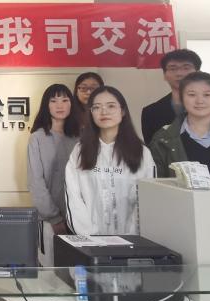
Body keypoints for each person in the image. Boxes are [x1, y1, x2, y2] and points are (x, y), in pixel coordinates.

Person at [65, 86, 154, 236]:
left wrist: (132, 236)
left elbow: (147, 199)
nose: (104, 112)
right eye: (97, 107)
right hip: (91, 241)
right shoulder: (80, 151)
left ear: (122, 111)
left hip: (132, 241)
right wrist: (89, 236)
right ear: (91, 113)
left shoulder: (142, 153)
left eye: (111, 106)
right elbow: (73, 197)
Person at [141, 48, 210, 144]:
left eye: (186, 68)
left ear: (198, 73)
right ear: (164, 75)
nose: (179, 73)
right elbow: (152, 148)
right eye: (173, 68)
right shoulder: (151, 112)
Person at [27, 84, 80, 235]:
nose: (59, 105)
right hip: (50, 220)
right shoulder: (37, 138)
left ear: (71, 104)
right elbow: (36, 182)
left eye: (65, 100)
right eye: (53, 101)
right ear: (46, 105)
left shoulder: (80, 138)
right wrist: (54, 217)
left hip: (80, 218)